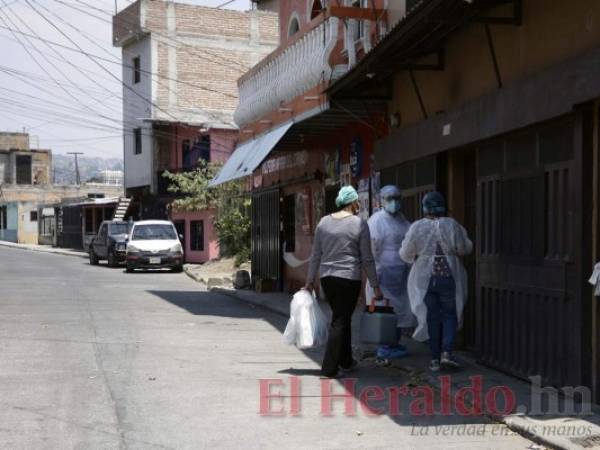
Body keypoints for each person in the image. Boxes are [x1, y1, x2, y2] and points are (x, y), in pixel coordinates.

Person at [305, 185, 383, 378]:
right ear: (353, 202)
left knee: (342, 317)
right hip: (348, 278)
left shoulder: (323, 222)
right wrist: (375, 285)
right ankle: (329, 368)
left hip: (327, 279)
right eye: (357, 201)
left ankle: (346, 361)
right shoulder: (359, 224)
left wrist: (309, 281)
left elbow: (315, 255)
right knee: (340, 320)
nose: (358, 205)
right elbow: (367, 257)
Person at [399, 191, 472, 372]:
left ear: (424, 208)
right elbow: (465, 248)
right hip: (449, 275)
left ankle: (434, 359)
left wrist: (421, 255)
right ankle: (447, 353)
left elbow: (406, 254)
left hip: (425, 278)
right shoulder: (452, 225)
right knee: (449, 314)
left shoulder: (417, 227)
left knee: (432, 316)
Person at [365, 185, 416, 363]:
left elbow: (410, 239)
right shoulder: (376, 220)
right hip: (383, 273)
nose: (394, 202)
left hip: (401, 273)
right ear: (382, 201)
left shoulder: (402, 220)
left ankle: (394, 343)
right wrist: (375, 272)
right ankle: (384, 347)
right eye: (390, 198)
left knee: (399, 310)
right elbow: (371, 248)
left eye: (396, 198)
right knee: (384, 310)